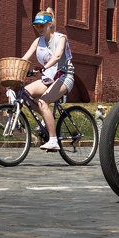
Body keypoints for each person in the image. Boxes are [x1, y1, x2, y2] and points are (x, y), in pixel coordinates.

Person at [19, 9, 75, 151]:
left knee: (43, 102)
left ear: (49, 24)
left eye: (41, 26)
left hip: (64, 76)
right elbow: (25, 58)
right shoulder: (38, 41)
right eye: (36, 26)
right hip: (48, 78)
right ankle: (46, 117)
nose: (39, 29)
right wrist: (15, 68)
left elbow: (57, 57)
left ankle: (53, 140)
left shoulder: (61, 38)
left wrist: (42, 68)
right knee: (25, 94)